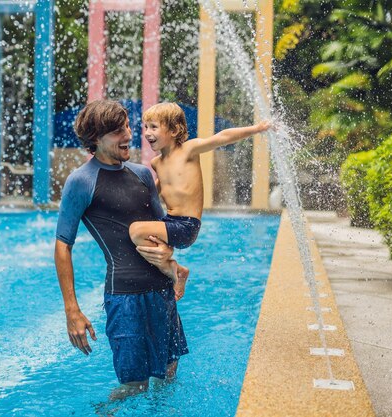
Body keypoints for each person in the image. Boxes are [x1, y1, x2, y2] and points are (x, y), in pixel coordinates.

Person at [54, 99, 189, 400]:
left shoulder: (142, 175)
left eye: (128, 126)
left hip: (162, 291)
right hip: (124, 298)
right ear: (95, 140)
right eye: (117, 131)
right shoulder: (81, 182)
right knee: (134, 385)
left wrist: (171, 259)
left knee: (169, 372)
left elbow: (162, 226)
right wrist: (72, 310)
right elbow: (63, 246)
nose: (128, 135)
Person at [129, 102, 274, 300]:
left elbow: (222, 137)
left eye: (154, 127)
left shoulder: (189, 150)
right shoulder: (157, 163)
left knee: (136, 230)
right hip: (169, 222)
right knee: (132, 233)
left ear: (174, 130)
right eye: (146, 127)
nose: (147, 133)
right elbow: (156, 191)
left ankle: (173, 267)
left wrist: (257, 128)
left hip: (186, 225)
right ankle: (171, 260)